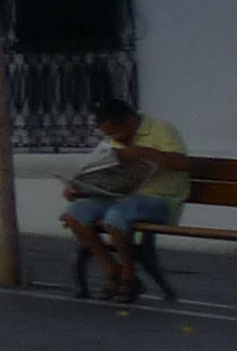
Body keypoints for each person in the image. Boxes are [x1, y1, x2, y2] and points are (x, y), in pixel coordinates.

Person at [61, 95, 191, 302]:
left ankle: (129, 276)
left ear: (130, 121)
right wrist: (80, 189)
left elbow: (183, 163)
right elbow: (110, 177)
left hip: (161, 200)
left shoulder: (161, 129)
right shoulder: (116, 140)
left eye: (116, 133)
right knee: (75, 213)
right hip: (123, 196)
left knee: (116, 216)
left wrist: (142, 152)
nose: (115, 139)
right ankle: (113, 270)